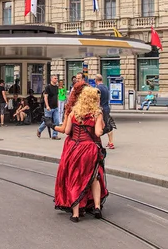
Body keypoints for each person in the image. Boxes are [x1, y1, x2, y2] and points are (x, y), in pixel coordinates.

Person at [54, 85, 108, 222]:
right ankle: (97, 207)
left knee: (75, 178)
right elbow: (97, 133)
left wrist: (52, 125)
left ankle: (76, 214)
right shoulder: (97, 114)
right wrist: (104, 128)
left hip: (74, 148)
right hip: (90, 148)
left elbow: (66, 132)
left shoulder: (74, 112)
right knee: (94, 177)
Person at [94, 74, 115, 149]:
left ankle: (110, 143)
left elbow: (97, 100)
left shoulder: (98, 88)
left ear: (96, 80)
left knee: (103, 126)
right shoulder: (105, 87)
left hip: (102, 108)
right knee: (108, 124)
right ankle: (110, 142)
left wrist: (96, 109)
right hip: (106, 107)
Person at [37, 75, 60, 140]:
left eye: (57, 78)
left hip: (55, 107)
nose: (56, 79)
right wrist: (47, 106)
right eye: (55, 78)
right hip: (49, 107)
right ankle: (39, 130)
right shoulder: (48, 87)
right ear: (51, 79)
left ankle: (54, 135)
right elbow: (45, 97)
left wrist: (58, 105)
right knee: (47, 122)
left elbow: (57, 97)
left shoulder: (56, 87)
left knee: (57, 121)